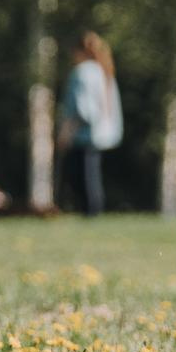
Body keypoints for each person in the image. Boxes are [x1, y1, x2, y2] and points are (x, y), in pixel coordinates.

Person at [58, 31, 122, 217]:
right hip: (101, 133)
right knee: (92, 175)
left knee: (82, 178)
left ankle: (89, 212)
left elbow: (81, 110)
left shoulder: (81, 72)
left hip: (83, 134)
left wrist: (66, 133)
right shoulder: (103, 70)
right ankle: (93, 212)